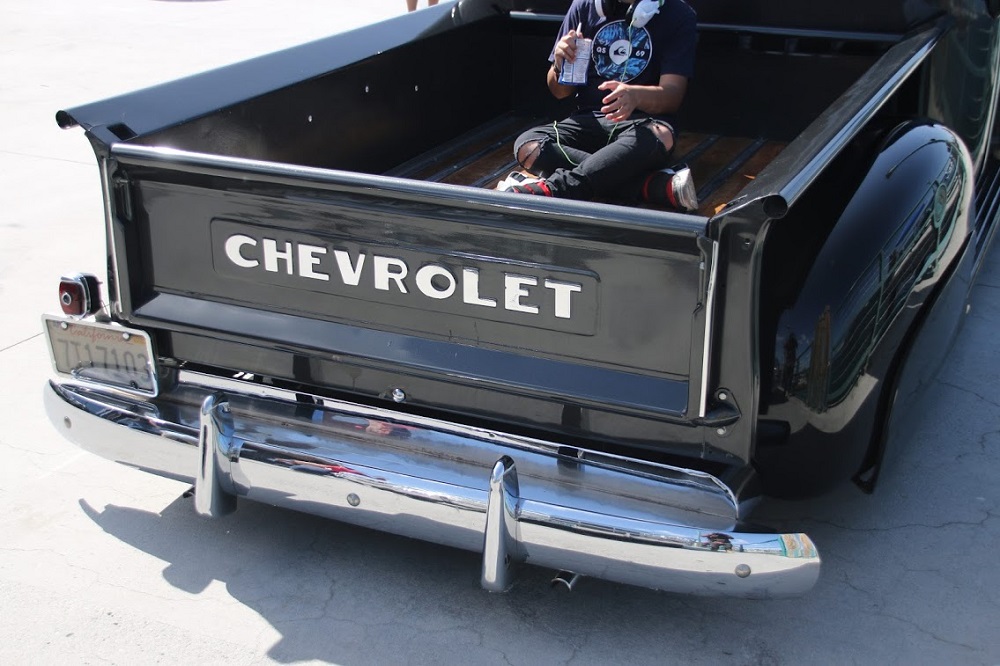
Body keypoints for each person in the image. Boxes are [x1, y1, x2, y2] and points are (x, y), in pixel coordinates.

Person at [499, 0, 698, 210]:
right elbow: (560, 92)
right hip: (587, 121)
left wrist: (636, 96)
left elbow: (672, 97)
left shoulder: (679, 13)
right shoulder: (583, 7)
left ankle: (556, 189)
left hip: (642, 126)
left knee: (660, 135)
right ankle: (649, 186)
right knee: (528, 145)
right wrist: (559, 65)